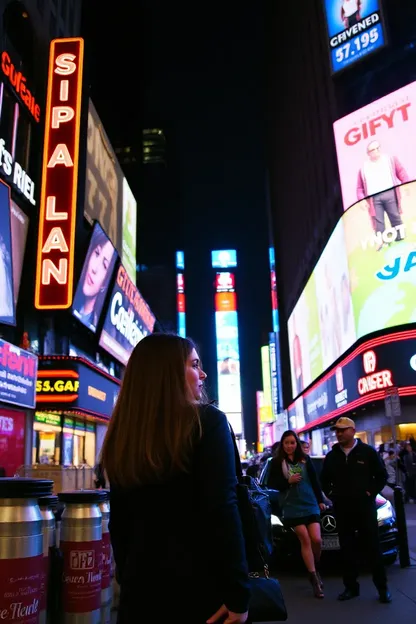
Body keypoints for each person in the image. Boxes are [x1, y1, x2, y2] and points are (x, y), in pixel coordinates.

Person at [101, 333, 250, 624]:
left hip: (141, 595)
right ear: (168, 374)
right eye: (194, 364)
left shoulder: (124, 433)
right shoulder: (208, 423)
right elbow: (223, 510)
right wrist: (238, 592)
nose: (203, 373)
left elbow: (119, 522)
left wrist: (129, 577)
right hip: (202, 593)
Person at [320, 417, 391, 603]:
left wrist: (370, 492)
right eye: (337, 430)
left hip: (365, 508)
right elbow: (324, 479)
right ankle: (351, 588)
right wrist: (332, 494)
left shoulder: (367, 452)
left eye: (343, 430)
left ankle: (383, 589)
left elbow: (382, 475)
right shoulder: (332, 456)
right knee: (347, 550)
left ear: (353, 430)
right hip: (343, 509)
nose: (339, 433)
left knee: (373, 548)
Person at [268, 430, 326, 599]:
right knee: (305, 539)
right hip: (291, 505)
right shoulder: (276, 462)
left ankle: (314, 566)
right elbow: (272, 484)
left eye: (292, 443)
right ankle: (314, 578)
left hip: (309, 503)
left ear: (297, 444)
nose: (289, 446)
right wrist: (288, 482)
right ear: (282, 444)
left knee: (316, 539)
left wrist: (320, 500)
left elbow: (315, 481)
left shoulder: (305, 460)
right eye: (286, 443)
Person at [356, 141, 409, 244]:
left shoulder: (390, 160)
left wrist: (406, 184)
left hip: (390, 194)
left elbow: (402, 172)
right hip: (374, 199)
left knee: (395, 217)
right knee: (379, 224)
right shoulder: (363, 168)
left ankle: (401, 240)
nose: (376, 151)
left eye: (377, 148)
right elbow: (359, 188)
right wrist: (361, 199)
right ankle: (383, 244)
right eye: (373, 150)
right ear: (368, 153)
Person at [72, 226, 116, 330]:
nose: (94, 269)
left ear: (106, 282)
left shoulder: (96, 324)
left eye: (104, 265)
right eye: (96, 253)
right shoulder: (74, 304)